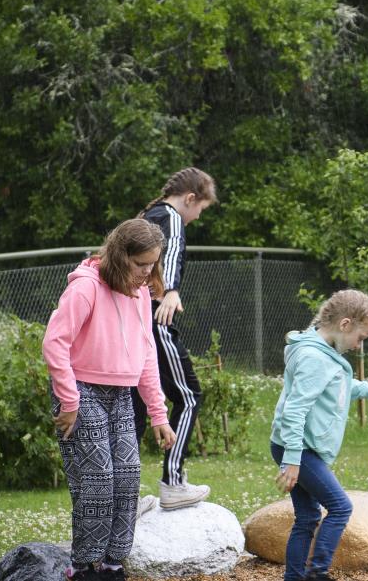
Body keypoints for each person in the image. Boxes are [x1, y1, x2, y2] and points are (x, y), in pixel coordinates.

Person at [44, 218, 179, 581]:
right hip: (81, 391)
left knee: (128, 476)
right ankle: (84, 567)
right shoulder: (85, 288)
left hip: (120, 394)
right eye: (140, 265)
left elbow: (147, 355)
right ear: (120, 257)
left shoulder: (139, 295)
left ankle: (112, 565)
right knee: (99, 478)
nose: (147, 273)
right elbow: (55, 343)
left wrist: (158, 414)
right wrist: (68, 401)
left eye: (153, 264)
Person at [270, 289, 368, 581]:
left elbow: (336, 384)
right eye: (361, 338)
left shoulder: (321, 351)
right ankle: (317, 573)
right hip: (298, 447)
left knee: (308, 517)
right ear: (344, 324)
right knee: (340, 507)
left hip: (297, 445)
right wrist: (292, 460)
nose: (359, 346)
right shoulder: (314, 358)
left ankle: (294, 577)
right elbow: (294, 411)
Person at [131, 167, 217, 511]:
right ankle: (173, 483)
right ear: (190, 198)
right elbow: (172, 255)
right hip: (157, 321)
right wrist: (171, 291)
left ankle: (127, 497)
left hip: (134, 323)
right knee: (189, 395)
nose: (197, 217)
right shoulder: (171, 217)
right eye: (201, 209)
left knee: (135, 407)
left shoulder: (148, 215)